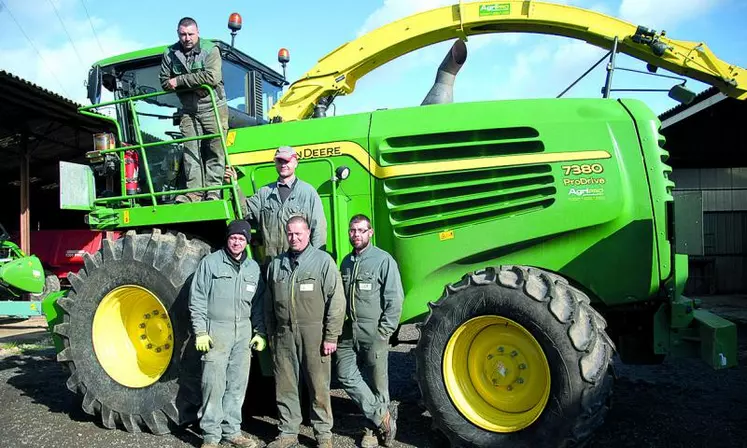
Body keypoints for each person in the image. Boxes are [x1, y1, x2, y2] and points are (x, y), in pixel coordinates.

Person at [263, 215, 345, 448]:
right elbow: (268, 303)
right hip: (283, 334)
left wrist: (331, 336)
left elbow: (336, 302)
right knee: (285, 386)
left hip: (314, 334)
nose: (294, 238)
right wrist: (271, 335)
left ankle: (323, 434)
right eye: (290, 233)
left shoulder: (322, 262)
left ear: (308, 233)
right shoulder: (276, 264)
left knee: (318, 385)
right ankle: (288, 432)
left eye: (299, 233)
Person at [189, 220, 267, 448]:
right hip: (216, 331)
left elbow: (259, 304)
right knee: (213, 384)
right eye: (233, 237)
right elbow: (198, 299)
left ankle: (232, 431)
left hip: (243, 333)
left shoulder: (253, 268)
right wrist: (201, 331)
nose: (237, 242)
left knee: (237, 384)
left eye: (241, 239)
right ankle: (211, 436)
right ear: (228, 238)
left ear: (246, 242)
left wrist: (259, 332)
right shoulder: (210, 263)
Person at [335, 214, 402, 448]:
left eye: (361, 230)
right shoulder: (346, 262)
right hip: (348, 331)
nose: (356, 235)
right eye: (353, 230)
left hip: (374, 332)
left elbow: (395, 299)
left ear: (370, 232)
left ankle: (371, 432)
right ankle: (382, 417)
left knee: (377, 384)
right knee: (345, 374)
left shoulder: (383, 260)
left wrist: (384, 331)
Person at [159, 16, 229, 203]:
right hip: (188, 110)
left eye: (190, 34)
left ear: (197, 33)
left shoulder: (210, 50)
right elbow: (165, 82)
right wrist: (193, 82)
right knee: (190, 150)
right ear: (178, 34)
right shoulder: (170, 53)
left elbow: (212, 77)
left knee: (215, 149)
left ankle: (213, 192)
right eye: (183, 34)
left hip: (213, 108)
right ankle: (194, 193)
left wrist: (181, 81)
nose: (187, 38)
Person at [232, 145, 327, 266]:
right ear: (275, 163)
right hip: (272, 263)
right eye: (279, 161)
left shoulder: (308, 193)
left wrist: (316, 261)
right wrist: (235, 185)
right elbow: (244, 212)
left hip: (300, 262)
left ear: (295, 162)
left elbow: (318, 228)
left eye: (287, 161)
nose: (283, 164)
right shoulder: (264, 193)